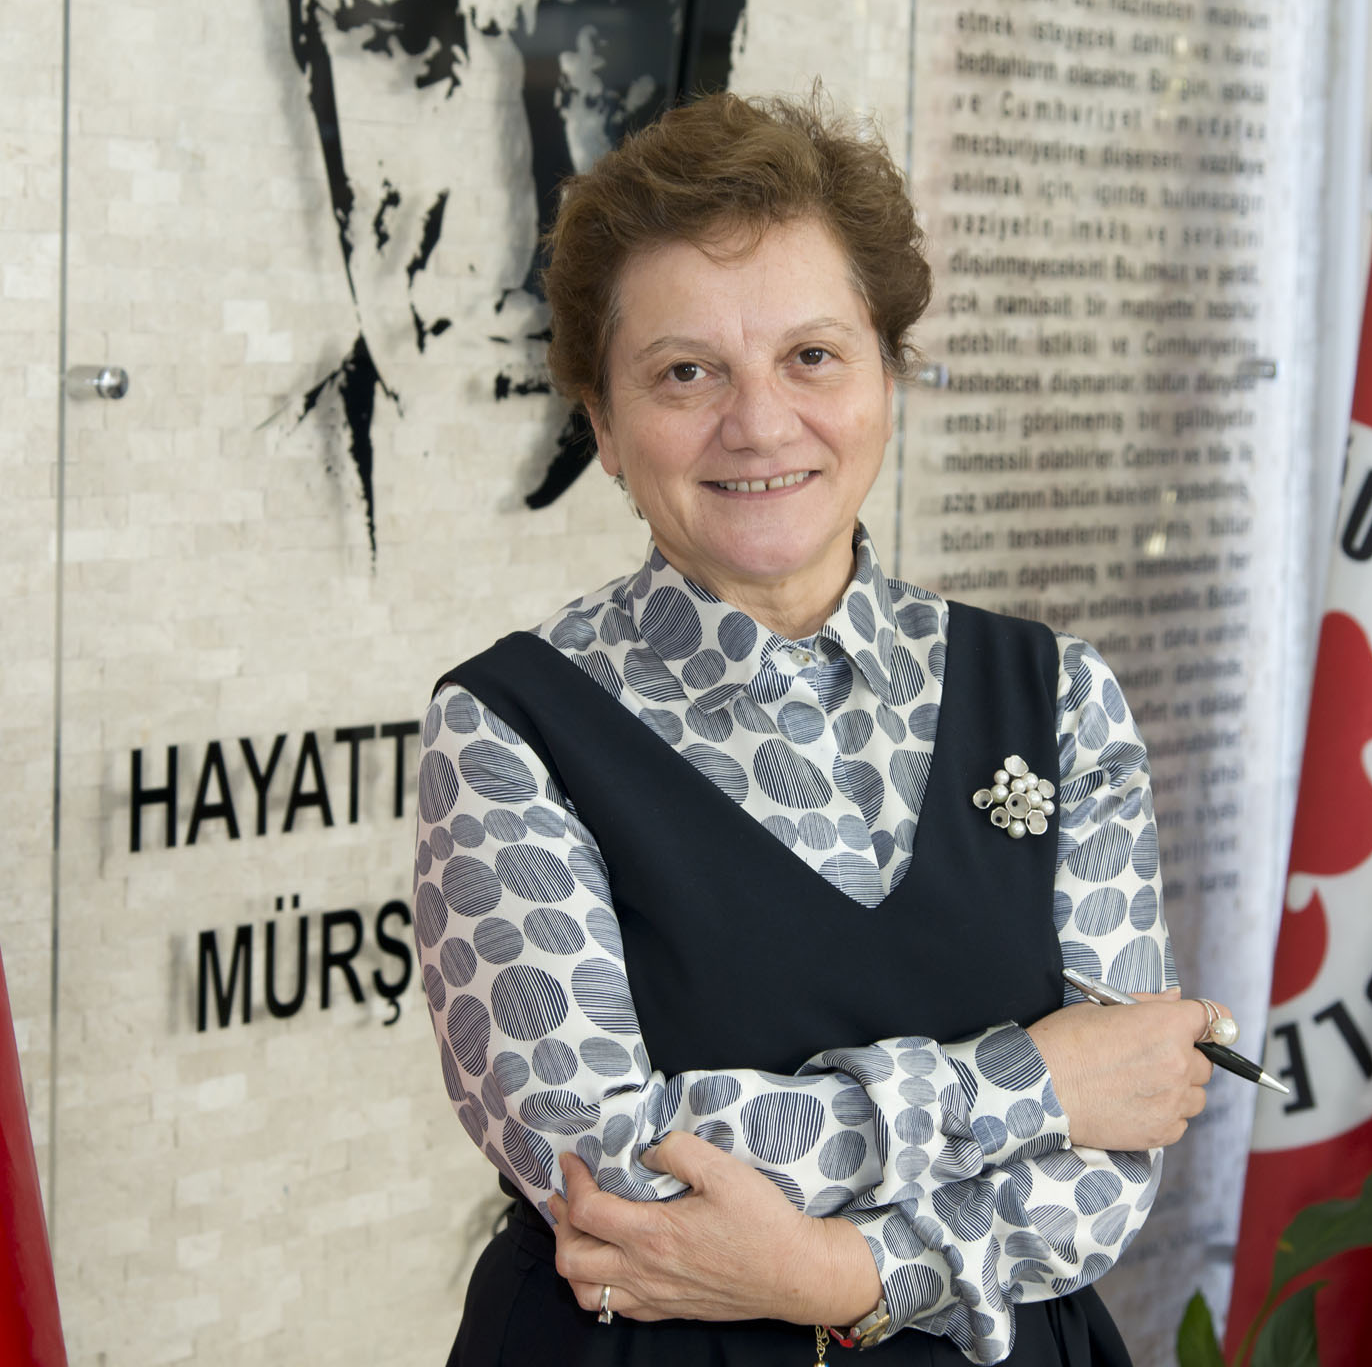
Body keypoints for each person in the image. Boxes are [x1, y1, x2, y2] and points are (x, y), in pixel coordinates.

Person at [415, 92, 1222, 1366]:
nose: (757, 422)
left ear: (887, 378)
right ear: (604, 425)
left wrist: (836, 1275)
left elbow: (1113, 1161)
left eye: (811, 356)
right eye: (686, 372)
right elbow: (605, 1161)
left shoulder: (1058, 695)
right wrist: (1034, 1083)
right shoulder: (505, 729)